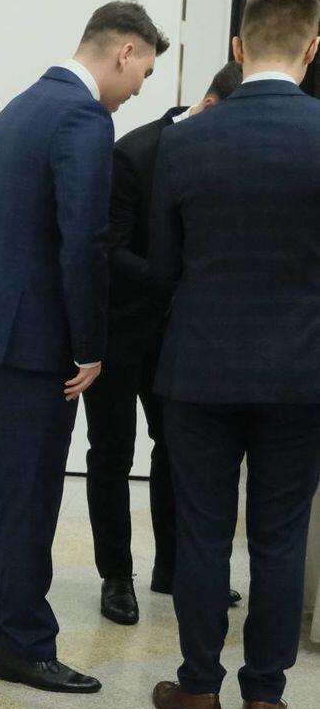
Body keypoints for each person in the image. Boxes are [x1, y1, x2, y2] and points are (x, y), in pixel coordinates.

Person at [0, 0, 167, 693]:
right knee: (32, 494)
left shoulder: (19, 108)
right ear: (124, 51)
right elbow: (85, 240)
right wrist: (89, 345)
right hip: (34, 340)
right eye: (144, 72)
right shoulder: (82, 118)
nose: (139, 90)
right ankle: (26, 643)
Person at [150, 0, 320, 709]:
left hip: (199, 368)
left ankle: (197, 689)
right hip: (303, 372)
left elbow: (164, 266)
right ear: (312, 50)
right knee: (280, 538)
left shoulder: (185, 140)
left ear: (237, 46)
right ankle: (264, 698)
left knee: (203, 532)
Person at [87, 61, 243, 625]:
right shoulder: (134, 153)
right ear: (210, 107)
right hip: (117, 329)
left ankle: (172, 568)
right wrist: (172, 278)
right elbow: (108, 248)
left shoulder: (221, 156)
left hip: (177, 334)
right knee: (112, 452)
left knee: (176, 449)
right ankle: (116, 576)